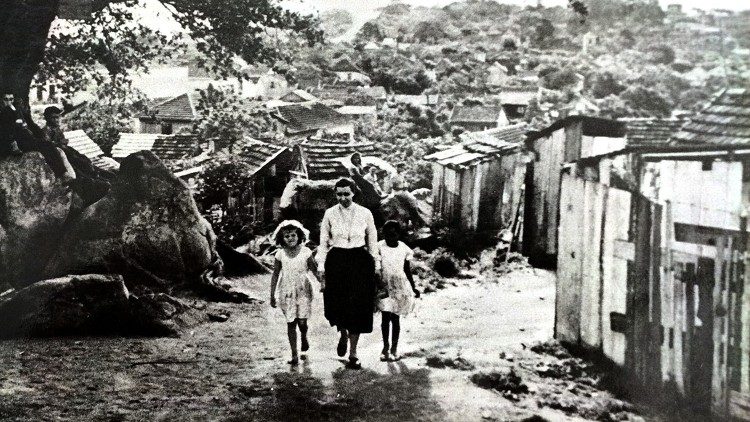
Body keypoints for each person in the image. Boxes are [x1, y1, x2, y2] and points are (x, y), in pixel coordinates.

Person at [318, 178, 380, 369]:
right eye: (339, 194)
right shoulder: (329, 213)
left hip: (360, 261)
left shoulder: (365, 213)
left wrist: (376, 266)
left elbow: (373, 241)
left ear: (354, 193)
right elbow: (323, 242)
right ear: (335, 194)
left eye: (347, 193)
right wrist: (321, 267)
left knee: (358, 307)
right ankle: (342, 333)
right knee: (338, 303)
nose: (343, 197)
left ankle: (353, 353)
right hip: (337, 261)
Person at [269, 220, 322, 366]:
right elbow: (275, 274)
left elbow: (314, 269)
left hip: (303, 290)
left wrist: (323, 282)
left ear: (299, 236)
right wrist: (272, 294)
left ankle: (304, 335)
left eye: (293, 235)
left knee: (302, 321)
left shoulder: (306, 252)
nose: (290, 238)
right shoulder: (280, 254)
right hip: (286, 291)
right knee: (291, 321)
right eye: (286, 236)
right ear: (282, 238)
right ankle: (294, 354)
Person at [376, 220, 419, 362]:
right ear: (384, 234)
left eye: (394, 234)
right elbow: (375, 268)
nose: (391, 237)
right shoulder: (379, 247)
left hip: (400, 286)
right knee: (385, 318)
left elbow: (407, 270)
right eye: (388, 235)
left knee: (395, 318)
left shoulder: (403, 248)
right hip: (384, 285)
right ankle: (385, 348)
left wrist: (413, 287)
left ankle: (394, 348)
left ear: (398, 234)